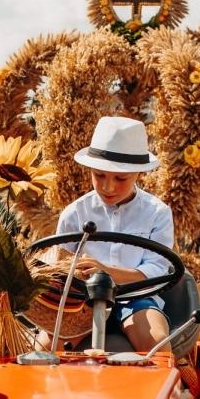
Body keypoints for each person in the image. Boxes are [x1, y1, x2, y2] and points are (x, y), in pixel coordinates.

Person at [55, 116, 173, 352]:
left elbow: (158, 270)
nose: (108, 187)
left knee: (156, 343)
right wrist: (77, 271)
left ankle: (164, 386)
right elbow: (60, 265)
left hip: (136, 298)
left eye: (120, 178)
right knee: (47, 344)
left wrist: (108, 273)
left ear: (139, 173)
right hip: (81, 299)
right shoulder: (74, 213)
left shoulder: (157, 212)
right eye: (99, 175)